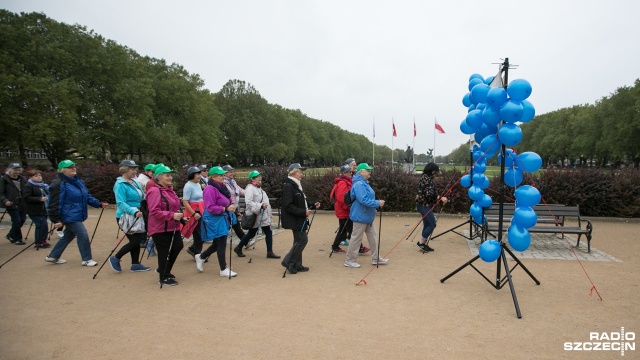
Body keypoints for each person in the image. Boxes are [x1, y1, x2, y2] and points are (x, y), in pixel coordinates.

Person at [46, 160, 108, 266]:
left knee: (68, 236)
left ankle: (53, 256)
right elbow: (53, 203)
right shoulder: (58, 183)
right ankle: (86, 259)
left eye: (74, 166)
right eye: (70, 167)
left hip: (76, 214)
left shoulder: (78, 181)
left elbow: (86, 196)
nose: (73, 168)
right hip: (68, 216)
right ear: (62, 170)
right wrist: (55, 219)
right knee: (82, 234)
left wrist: (98, 204)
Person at [109, 160, 151, 273]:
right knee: (135, 241)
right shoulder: (119, 184)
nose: (135, 171)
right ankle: (115, 258)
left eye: (135, 168)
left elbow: (142, 197)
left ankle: (135, 264)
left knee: (137, 239)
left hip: (138, 214)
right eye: (132, 169)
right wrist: (133, 212)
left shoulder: (135, 182)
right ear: (124, 169)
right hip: (125, 216)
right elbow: (120, 203)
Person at [195, 166, 237, 277]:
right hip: (214, 218)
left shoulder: (222, 186)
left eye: (223, 174)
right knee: (221, 242)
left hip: (223, 217)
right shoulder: (209, 189)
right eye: (220, 175)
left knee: (218, 243)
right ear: (213, 177)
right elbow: (210, 207)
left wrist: (230, 205)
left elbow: (227, 199)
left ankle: (201, 257)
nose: (223, 177)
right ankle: (223, 269)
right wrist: (225, 208)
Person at [344, 163, 388, 268]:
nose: (369, 172)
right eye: (367, 170)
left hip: (367, 215)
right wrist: (377, 203)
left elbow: (366, 199)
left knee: (373, 237)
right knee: (356, 239)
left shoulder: (364, 183)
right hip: (360, 216)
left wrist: (373, 208)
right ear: (361, 172)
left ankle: (376, 258)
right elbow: (363, 200)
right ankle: (349, 260)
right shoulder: (359, 184)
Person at [146, 164, 184, 286]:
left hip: (172, 226)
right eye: (167, 175)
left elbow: (174, 207)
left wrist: (181, 218)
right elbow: (154, 211)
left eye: (170, 175)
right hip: (159, 228)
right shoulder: (154, 191)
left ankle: (165, 270)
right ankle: (163, 276)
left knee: (178, 246)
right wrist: (171, 215)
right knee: (164, 251)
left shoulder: (170, 190)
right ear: (159, 177)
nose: (170, 177)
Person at [281, 163, 320, 274]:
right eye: (299, 172)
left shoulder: (296, 184)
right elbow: (288, 205)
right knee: (302, 240)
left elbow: (302, 201)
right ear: (293, 172)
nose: (301, 174)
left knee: (298, 241)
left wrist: (312, 204)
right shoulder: (288, 186)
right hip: (295, 219)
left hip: (300, 217)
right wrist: (303, 212)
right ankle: (288, 261)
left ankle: (297, 265)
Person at [233, 170, 280, 259]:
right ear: (252, 179)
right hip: (256, 214)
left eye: (260, 177)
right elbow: (249, 202)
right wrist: (260, 205)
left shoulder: (258, 188)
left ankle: (239, 247)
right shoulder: (250, 188)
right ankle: (268, 252)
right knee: (255, 233)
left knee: (261, 232)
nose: (259, 179)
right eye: (257, 177)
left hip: (262, 214)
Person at [415, 163, 448, 252]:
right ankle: (421, 242)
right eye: (435, 172)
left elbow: (431, 192)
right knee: (432, 224)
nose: (435, 174)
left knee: (427, 224)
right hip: (423, 206)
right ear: (432, 170)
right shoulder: (425, 179)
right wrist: (441, 198)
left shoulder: (426, 178)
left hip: (425, 205)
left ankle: (424, 243)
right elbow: (429, 194)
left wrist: (438, 197)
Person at [21, 169, 51, 248]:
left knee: (42, 224)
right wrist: (39, 199)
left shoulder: (42, 185)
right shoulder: (28, 186)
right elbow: (26, 197)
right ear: (31, 177)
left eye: (40, 175)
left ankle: (42, 240)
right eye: (36, 176)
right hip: (33, 209)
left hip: (43, 208)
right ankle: (39, 241)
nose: (39, 177)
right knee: (41, 224)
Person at [1, 162, 27, 245]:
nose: (17, 172)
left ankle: (10, 234)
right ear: (9, 170)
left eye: (18, 170)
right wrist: (5, 200)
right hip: (11, 203)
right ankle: (18, 239)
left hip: (22, 203)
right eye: (15, 170)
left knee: (22, 220)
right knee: (17, 221)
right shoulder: (4, 179)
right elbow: (1, 192)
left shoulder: (22, 179)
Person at [329, 164, 353, 254]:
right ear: (344, 173)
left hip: (343, 210)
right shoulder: (343, 182)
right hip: (344, 210)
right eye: (349, 172)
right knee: (352, 231)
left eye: (351, 172)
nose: (351, 173)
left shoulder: (346, 181)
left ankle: (335, 247)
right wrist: (348, 207)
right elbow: (341, 198)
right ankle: (359, 247)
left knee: (343, 230)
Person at [183, 166, 204, 257]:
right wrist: (194, 213)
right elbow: (185, 202)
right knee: (198, 234)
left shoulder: (198, 184)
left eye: (199, 174)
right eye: (197, 174)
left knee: (202, 233)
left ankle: (193, 249)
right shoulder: (188, 186)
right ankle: (198, 254)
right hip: (194, 212)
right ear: (192, 175)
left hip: (201, 210)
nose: (199, 176)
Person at [222, 165, 246, 240]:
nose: (232, 173)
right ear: (225, 174)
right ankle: (245, 241)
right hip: (228, 207)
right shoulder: (223, 183)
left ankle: (244, 241)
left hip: (234, 207)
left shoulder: (232, 182)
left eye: (232, 171)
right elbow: (229, 193)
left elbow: (240, 190)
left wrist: (250, 193)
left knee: (234, 225)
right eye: (229, 172)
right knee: (235, 225)